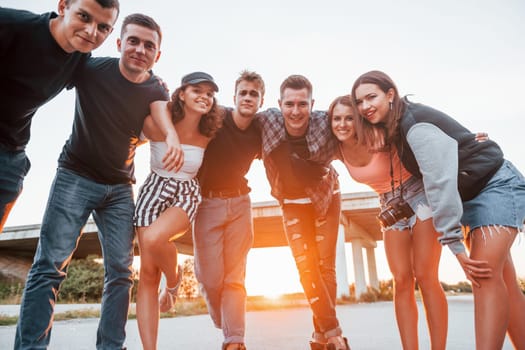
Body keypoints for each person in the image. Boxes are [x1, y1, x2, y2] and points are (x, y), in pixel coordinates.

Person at [15, 13, 179, 349]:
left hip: (120, 188)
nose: (139, 49)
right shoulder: (89, 70)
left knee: (121, 273)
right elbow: (51, 71)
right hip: (75, 175)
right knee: (50, 267)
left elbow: (160, 115)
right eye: (133, 41)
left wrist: (170, 137)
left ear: (157, 55)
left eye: (149, 45)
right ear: (119, 43)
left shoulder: (156, 87)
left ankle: (110, 346)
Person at [351, 70, 525, 350]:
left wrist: (454, 245)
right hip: (469, 196)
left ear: (390, 94)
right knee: (503, 280)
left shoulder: (414, 127)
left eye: (371, 97)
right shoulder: (392, 126)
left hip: (496, 186)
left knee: (484, 273)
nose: (365, 106)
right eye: (359, 101)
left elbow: (439, 186)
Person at [328, 95, 448, 349]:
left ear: (359, 120)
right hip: (389, 205)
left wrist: (467, 142)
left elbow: (425, 129)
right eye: (337, 118)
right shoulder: (337, 148)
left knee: (426, 275)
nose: (343, 124)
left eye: (349, 118)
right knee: (401, 279)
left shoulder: (379, 134)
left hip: (421, 195)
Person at [0, 0, 120, 233]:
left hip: (10, 154)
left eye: (103, 27)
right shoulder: (11, 25)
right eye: (84, 17)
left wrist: (152, 84)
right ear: (64, 7)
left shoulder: (80, 60)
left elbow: (114, 82)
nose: (91, 32)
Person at [257, 75, 351, 350]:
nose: (295, 111)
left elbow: (361, 127)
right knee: (305, 266)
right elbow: (232, 119)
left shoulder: (325, 122)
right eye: (289, 104)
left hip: (326, 197)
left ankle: (324, 338)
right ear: (279, 104)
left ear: (313, 104)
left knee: (325, 267)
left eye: (302, 104)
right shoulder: (267, 122)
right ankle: (332, 331)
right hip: (292, 201)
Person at [134, 71, 223, 350]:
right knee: (147, 274)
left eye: (209, 93)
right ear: (181, 93)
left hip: (186, 192)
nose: (204, 97)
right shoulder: (157, 122)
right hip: (154, 189)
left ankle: (174, 281)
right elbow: (148, 114)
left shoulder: (210, 133)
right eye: (197, 90)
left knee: (152, 239)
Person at [192, 70, 265, 350]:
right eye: (243, 93)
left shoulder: (260, 129)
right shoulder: (216, 117)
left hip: (240, 204)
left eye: (254, 94)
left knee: (235, 277)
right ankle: (225, 321)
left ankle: (234, 341)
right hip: (207, 204)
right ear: (234, 97)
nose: (248, 98)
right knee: (210, 279)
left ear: (261, 100)